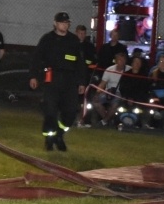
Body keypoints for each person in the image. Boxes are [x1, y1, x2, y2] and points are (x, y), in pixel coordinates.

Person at [29, 12, 87, 151]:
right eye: (62, 22)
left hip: (69, 80)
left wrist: (81, 82)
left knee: (71, 112)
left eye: (67, 23)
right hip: (52, 79)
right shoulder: (47, 39)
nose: (65, 25)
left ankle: (59, 135)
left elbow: (80, 63)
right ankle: (49, 139)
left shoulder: (73, 40)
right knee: (50, 111)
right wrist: (33, 76)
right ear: (55, 23)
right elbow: (36, 58)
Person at [92, 51, 131, 128]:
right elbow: (102, 83)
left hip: (120, 93)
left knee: (115, 103)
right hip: (108, 92)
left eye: (123, 60)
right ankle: (108, 120)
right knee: (95, 102)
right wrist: (97, 93)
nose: (121, 62)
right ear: (116, 61)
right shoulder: (109, 69)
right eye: (119, 60)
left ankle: (104, 122)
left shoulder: (129, 70)